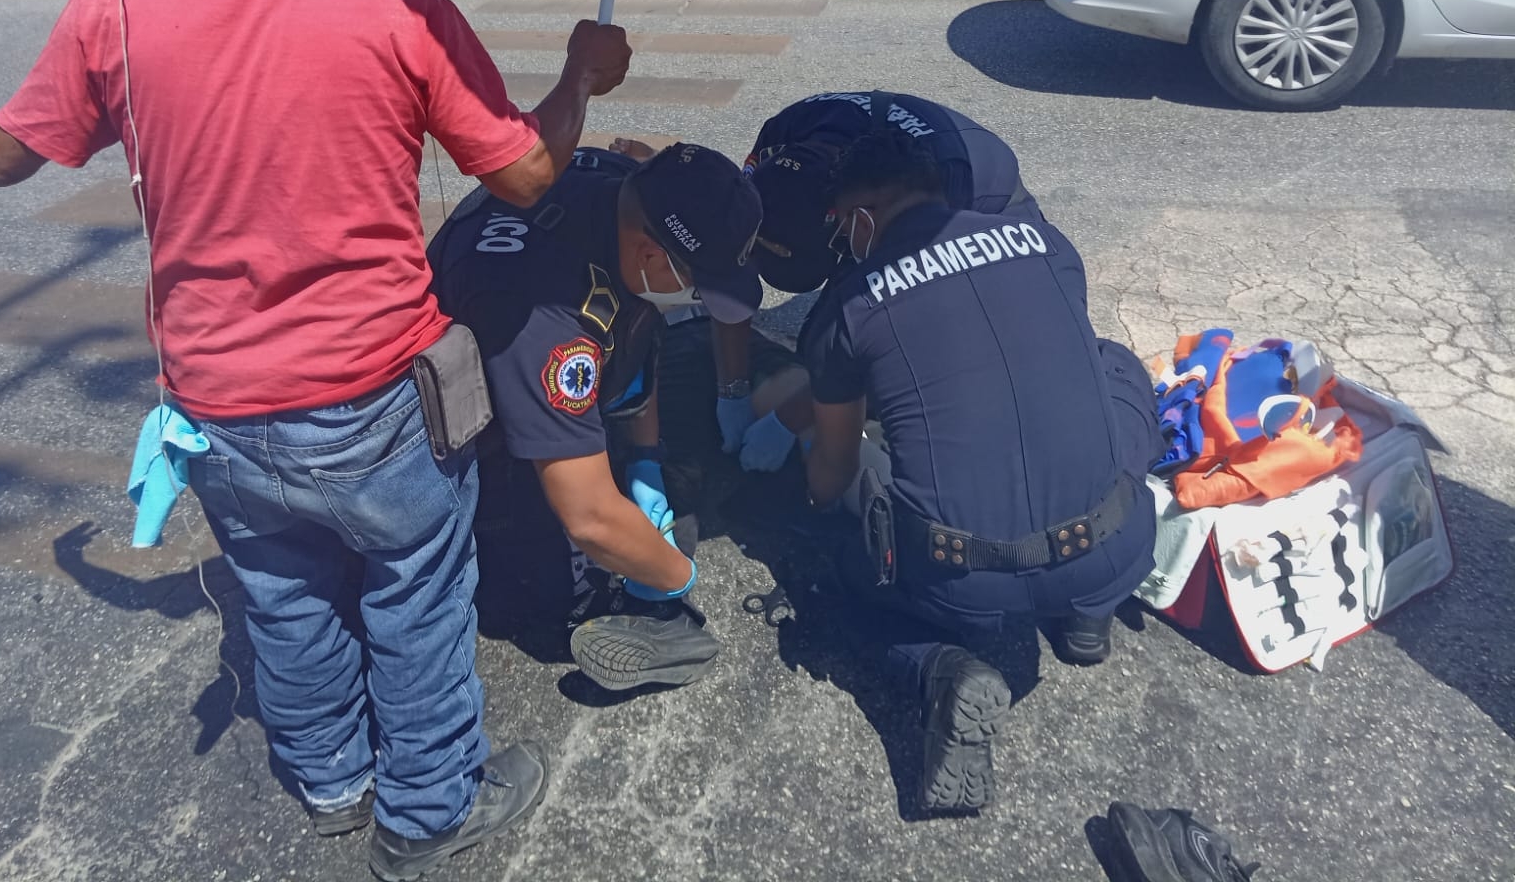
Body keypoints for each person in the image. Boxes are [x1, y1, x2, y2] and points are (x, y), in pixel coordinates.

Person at [0, 0, 633, 882]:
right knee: (416, 594)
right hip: (374, 396)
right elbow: (530, 178)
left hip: (217, 406)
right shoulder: (398, 3)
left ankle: (332, 780)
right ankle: (429, 806)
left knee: (283, 597)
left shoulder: (118, 5)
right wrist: (582, 77)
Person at [796, 133, 1161, 813]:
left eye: (844, 221)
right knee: (1115, 364)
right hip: (1119, 544)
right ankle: (1089, 618)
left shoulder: (847, 307)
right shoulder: (1046, 245)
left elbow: (835, 469)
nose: (844, 238)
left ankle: (939, 666)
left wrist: (821, 493)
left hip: (961, 587)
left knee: (840, 579)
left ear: (867, 211)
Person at [428, 143, 763, 691]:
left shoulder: (622, 186)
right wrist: (677, 578)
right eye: (698, 286)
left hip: (534, 367)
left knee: (648, 505)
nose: (695, 298)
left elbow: (634, 327)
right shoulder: (546, 321)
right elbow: (587, 518)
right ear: (652, 255)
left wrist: (646, 462)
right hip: (472, 436)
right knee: (546, 601)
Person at [618, 91, 1041, 475]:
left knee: (949, 361)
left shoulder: (928, 199)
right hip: (857, 202)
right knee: (818, 347)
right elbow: (731, 270)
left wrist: (786, 422)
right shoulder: (778, 144)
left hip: (985, 203)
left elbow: (891, 337)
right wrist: (733, 391)